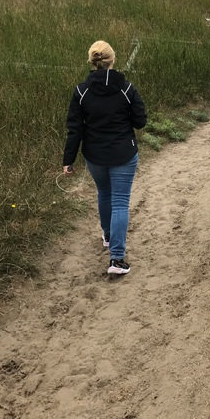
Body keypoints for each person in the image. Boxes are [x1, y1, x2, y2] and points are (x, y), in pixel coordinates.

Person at [62, 40, 147, 276]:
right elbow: (140, 121)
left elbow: (74, 128)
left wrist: (68, 160)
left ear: (92, 62)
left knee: (104, 194)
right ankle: (117, 260)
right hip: (123, 153)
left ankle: (108, 237)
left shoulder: (82, 90)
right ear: (112, 60)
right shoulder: (126, 89)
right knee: (120, 201)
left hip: (94, 154)